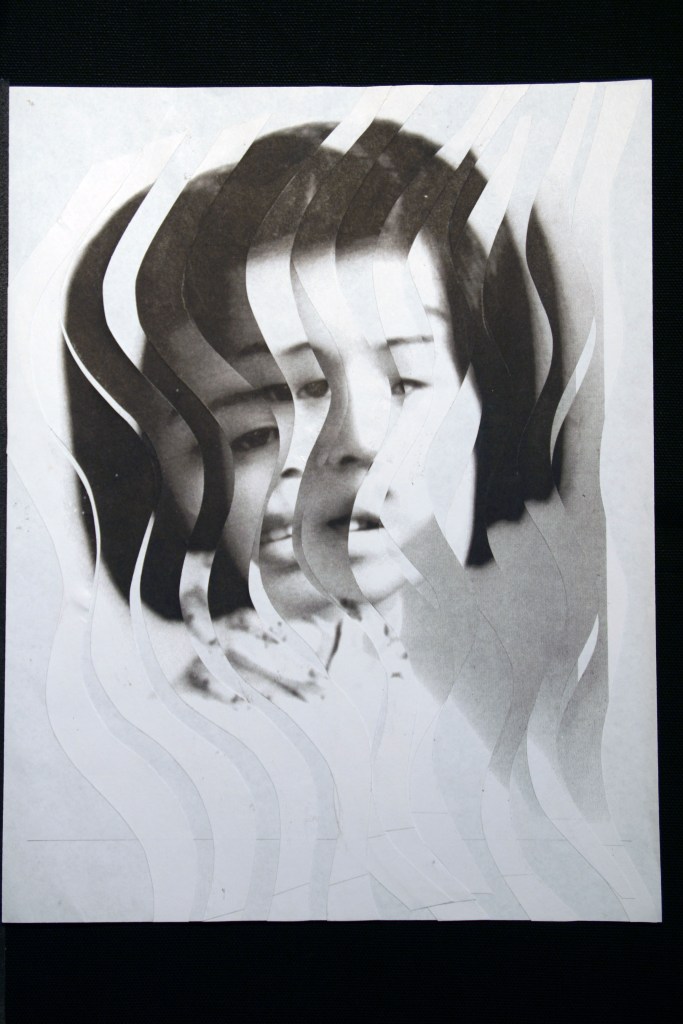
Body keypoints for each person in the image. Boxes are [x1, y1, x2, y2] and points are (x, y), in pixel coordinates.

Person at [65, 118, 630, 920]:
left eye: (406, 383)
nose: (360, 440)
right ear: (168, 472)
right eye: (269, 416)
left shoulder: (579, 669)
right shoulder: (152, 742)